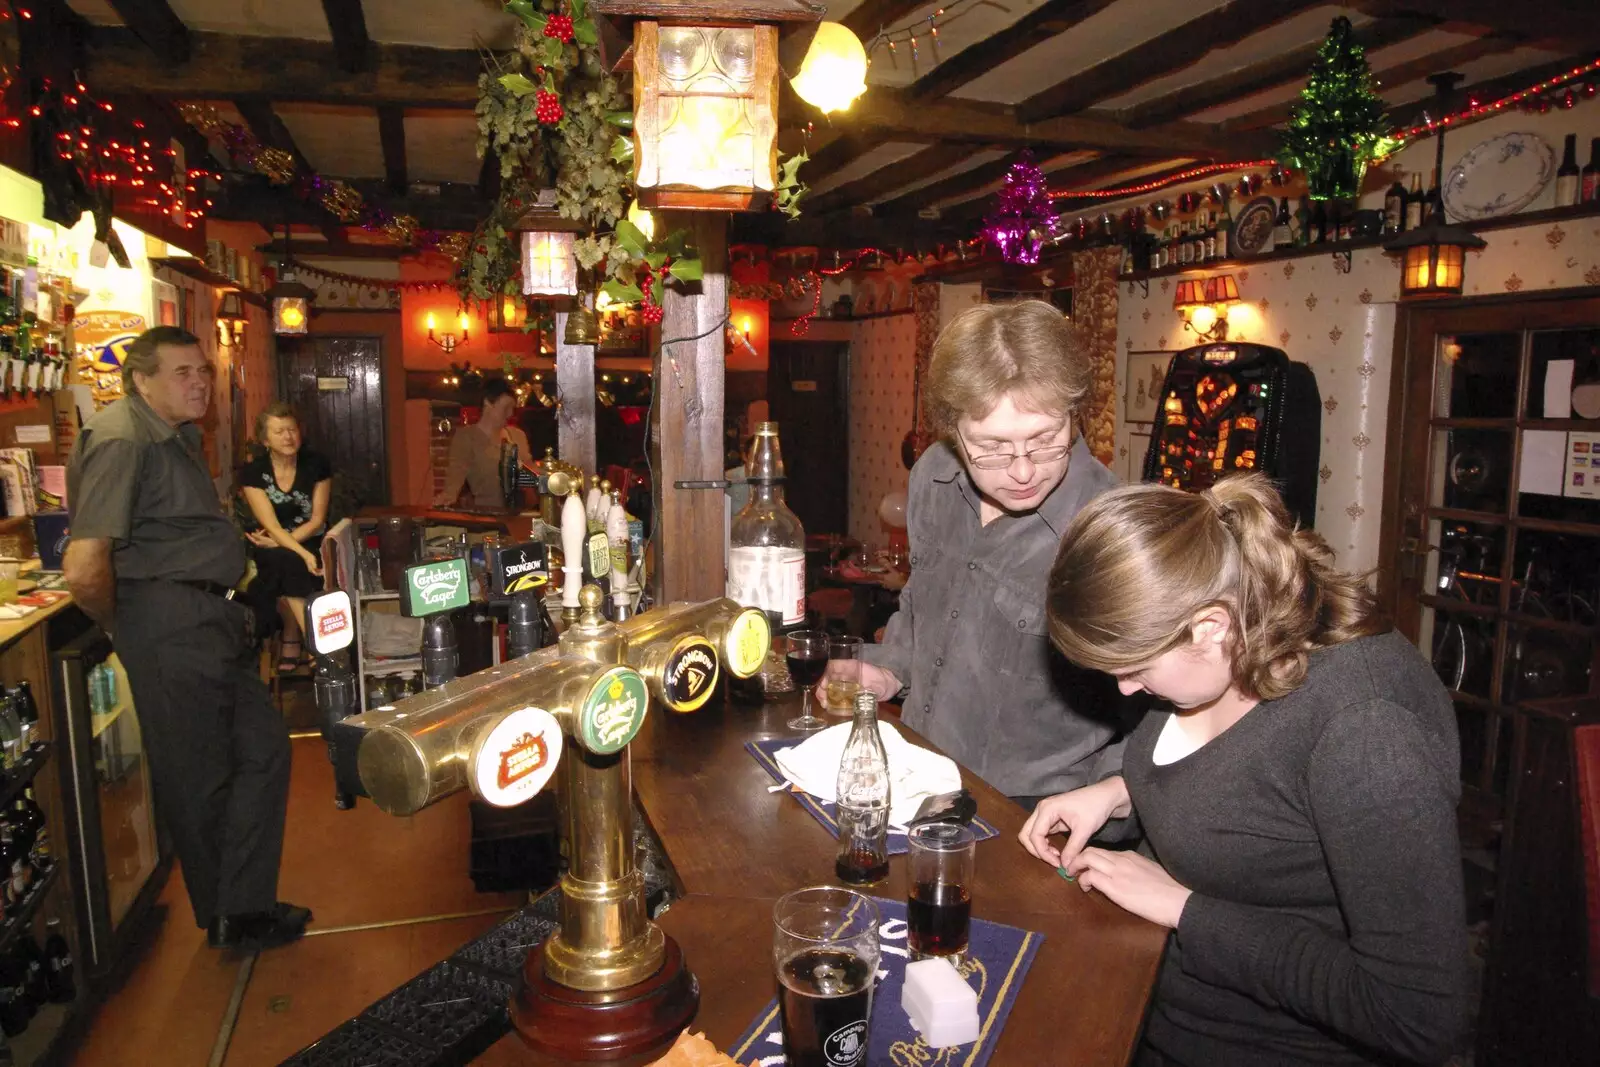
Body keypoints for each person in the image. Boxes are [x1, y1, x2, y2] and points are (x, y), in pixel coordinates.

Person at [1021, 474, 1472, 1066]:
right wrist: (1119, 791)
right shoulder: (1226, 634)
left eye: (1133, 667)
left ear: (1210, 626)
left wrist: (1185, 910)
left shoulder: (1370, 737)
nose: (1127, 688)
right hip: (1147, 1001)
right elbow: (1252, 782)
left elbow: (1418, 1015)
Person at [62, 327, 310, 951]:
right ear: (140, 380)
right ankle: (232, 916)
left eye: (202, 370)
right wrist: (125, 626)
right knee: (198, 776)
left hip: (208, 620)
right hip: (170, 623)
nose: (199, 381)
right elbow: (85, 563)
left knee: (263, 750)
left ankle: (240, 902)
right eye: (182, 372)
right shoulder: (121, 438)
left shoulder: (173, 435)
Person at [827, 300, 1125, 808]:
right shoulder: (933, 477)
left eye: (1046, 439)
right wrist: (893, 668)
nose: (1023, 470)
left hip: (1032, 813)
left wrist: (1115, 795)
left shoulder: (1111, 533)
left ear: (1075, 414)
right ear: (952, 430)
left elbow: (1172, 707)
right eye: (991, 447)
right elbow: (924, 601)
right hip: (919, 774)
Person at [238, 402, 332, 673]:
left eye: (292, 430)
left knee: (283, 560)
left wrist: (295, 546)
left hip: (308, 537)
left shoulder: (316, 466)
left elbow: (317, 520)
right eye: (279, 432)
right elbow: (272, 526)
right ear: (265, 440)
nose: (288, 437)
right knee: (287, 559)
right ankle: (317, 644)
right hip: (270, 541)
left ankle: (293, 637)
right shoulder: (254, 473)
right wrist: (302, 554)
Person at [436, 377, 531, 509]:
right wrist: (447, 497)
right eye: (506, 408)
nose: (510, 413)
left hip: (522, 515)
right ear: (488, 403)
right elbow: (455, 477)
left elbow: (532, 472)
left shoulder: (517, 435)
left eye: (512, 408)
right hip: (488, 516)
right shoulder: (467, 437)